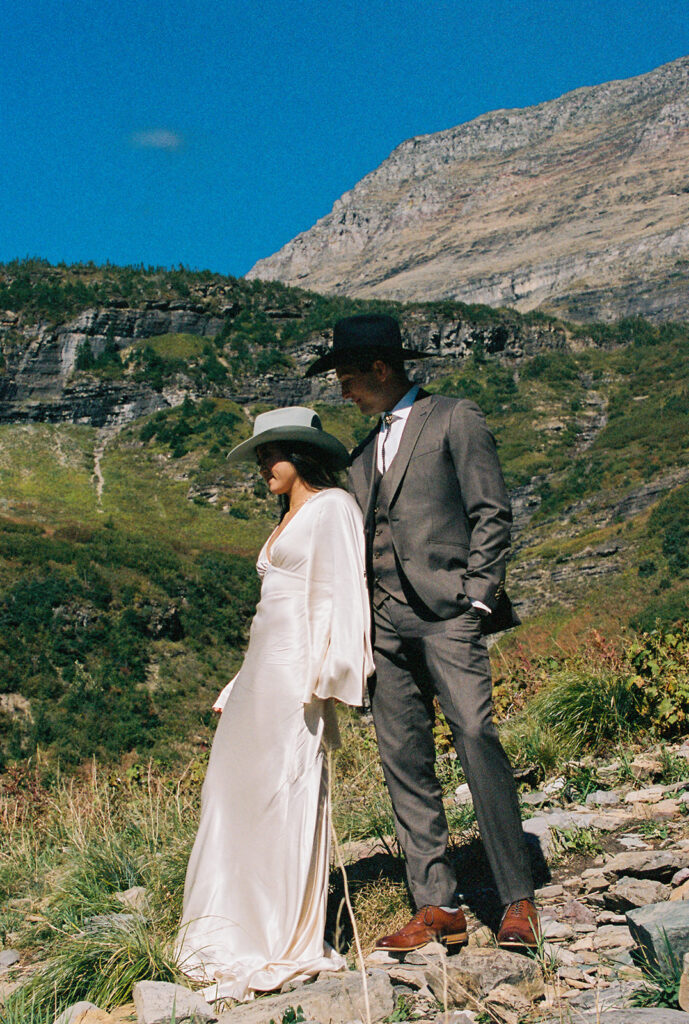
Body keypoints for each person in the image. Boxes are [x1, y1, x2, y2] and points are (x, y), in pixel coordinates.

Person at [305, 314, 539, 951]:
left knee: (475, 735)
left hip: (449, 615)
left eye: (349, 378)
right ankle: (437, 903)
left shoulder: (454, 418)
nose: (344, 392)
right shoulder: (361, 453)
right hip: (382, 626)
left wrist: (477, 599)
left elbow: (491, 510)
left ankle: (517, 897)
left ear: (382, 369)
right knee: (402, 759)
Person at [176, 406, 374, 1001]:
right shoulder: (285, 518)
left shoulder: (333, 507)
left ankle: (277, 934)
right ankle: (226, 927)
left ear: (303, 455)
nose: (264, 463)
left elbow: (343, 591)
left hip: (297, 675)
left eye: (274, 452)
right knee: (231, 795)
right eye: (261, 453)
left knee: (283, 792)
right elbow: (270, 615)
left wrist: (334, 672)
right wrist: (238, 682)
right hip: (261, 672)